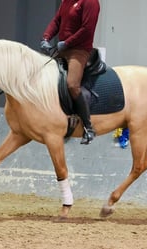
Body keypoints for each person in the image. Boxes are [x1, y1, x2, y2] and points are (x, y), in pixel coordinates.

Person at [40, 0, 100, 145]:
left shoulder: (91, 2)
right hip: (63, 49)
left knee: (72, 85)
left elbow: (87, 29)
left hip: (79, 50)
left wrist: (67, 42)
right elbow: (57, 20)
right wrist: (46, 38)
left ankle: (88, 127)